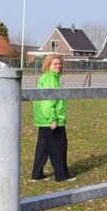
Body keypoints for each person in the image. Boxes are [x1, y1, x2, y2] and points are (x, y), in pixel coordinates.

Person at [31, 54, 75, 182]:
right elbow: (48, 101)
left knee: (43, 147)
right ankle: (62, 175)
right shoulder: (50, 79)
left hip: (44, 120)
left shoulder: (51, 78)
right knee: (59, 146)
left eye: (59, 63)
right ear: (48, 65)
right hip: (51, 119)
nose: (58, 66)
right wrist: (53, 119)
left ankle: (37, 174)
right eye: (55, 64)